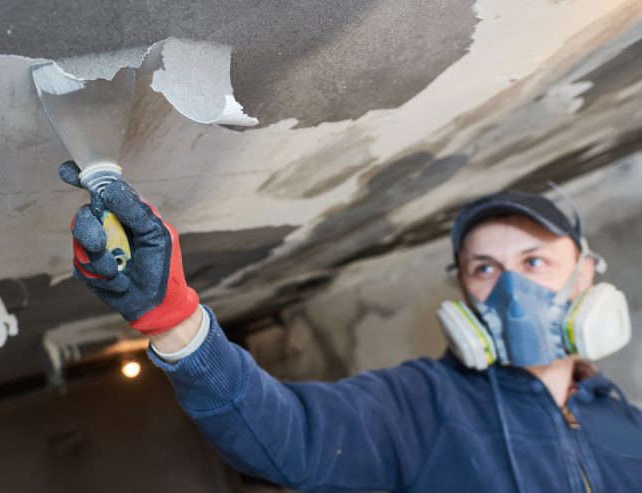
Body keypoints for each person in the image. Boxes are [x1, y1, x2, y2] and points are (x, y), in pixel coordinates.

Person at [61, 161, 642, 493]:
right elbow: (291, 438)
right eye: (485, 268)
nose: (512, 289)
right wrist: (177, 323)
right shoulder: (421, 404)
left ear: (585, 276)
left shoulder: (627, 422)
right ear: (464, 290)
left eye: (535, 262)